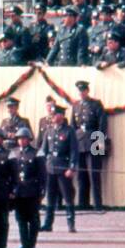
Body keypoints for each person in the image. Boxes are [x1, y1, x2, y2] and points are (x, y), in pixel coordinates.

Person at [39, 103, 78, 233]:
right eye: (52, 114)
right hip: (50, 168)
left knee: (67, 196)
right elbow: (43, 151)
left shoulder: (69, 130)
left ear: (61, 115)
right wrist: (41, 166)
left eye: (55, 114)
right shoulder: (48, 131)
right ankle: (48, 224)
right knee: (50, 197)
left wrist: (71, 168)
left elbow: (74, 151)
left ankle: (71, 224)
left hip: (63, 169)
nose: (52, 116)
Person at [72, 79, 108, 211]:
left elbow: (102, 124)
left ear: (87, 91)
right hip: (80, 143)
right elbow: (73, 127)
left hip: (94, 142)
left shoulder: (96, 104)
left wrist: (99, 145)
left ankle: (97, 205)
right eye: (79, 91)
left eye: (83, 90)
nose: (81, 93)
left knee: (94, 174)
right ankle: (83, 203)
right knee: (81, 175)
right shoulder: (75, 106)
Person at [9, 126, 44, 248]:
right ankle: (24, 245)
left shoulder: (37, 152)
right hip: (19, 191)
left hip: (32, 191)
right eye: (19, 139)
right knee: (21, 220)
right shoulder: (14, 153)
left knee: (33, 219)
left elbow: (42, 174)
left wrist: (41, 191)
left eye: (24, 139)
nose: (21, 141)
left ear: (29, 139)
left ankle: (31, 244)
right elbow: (12, 173)